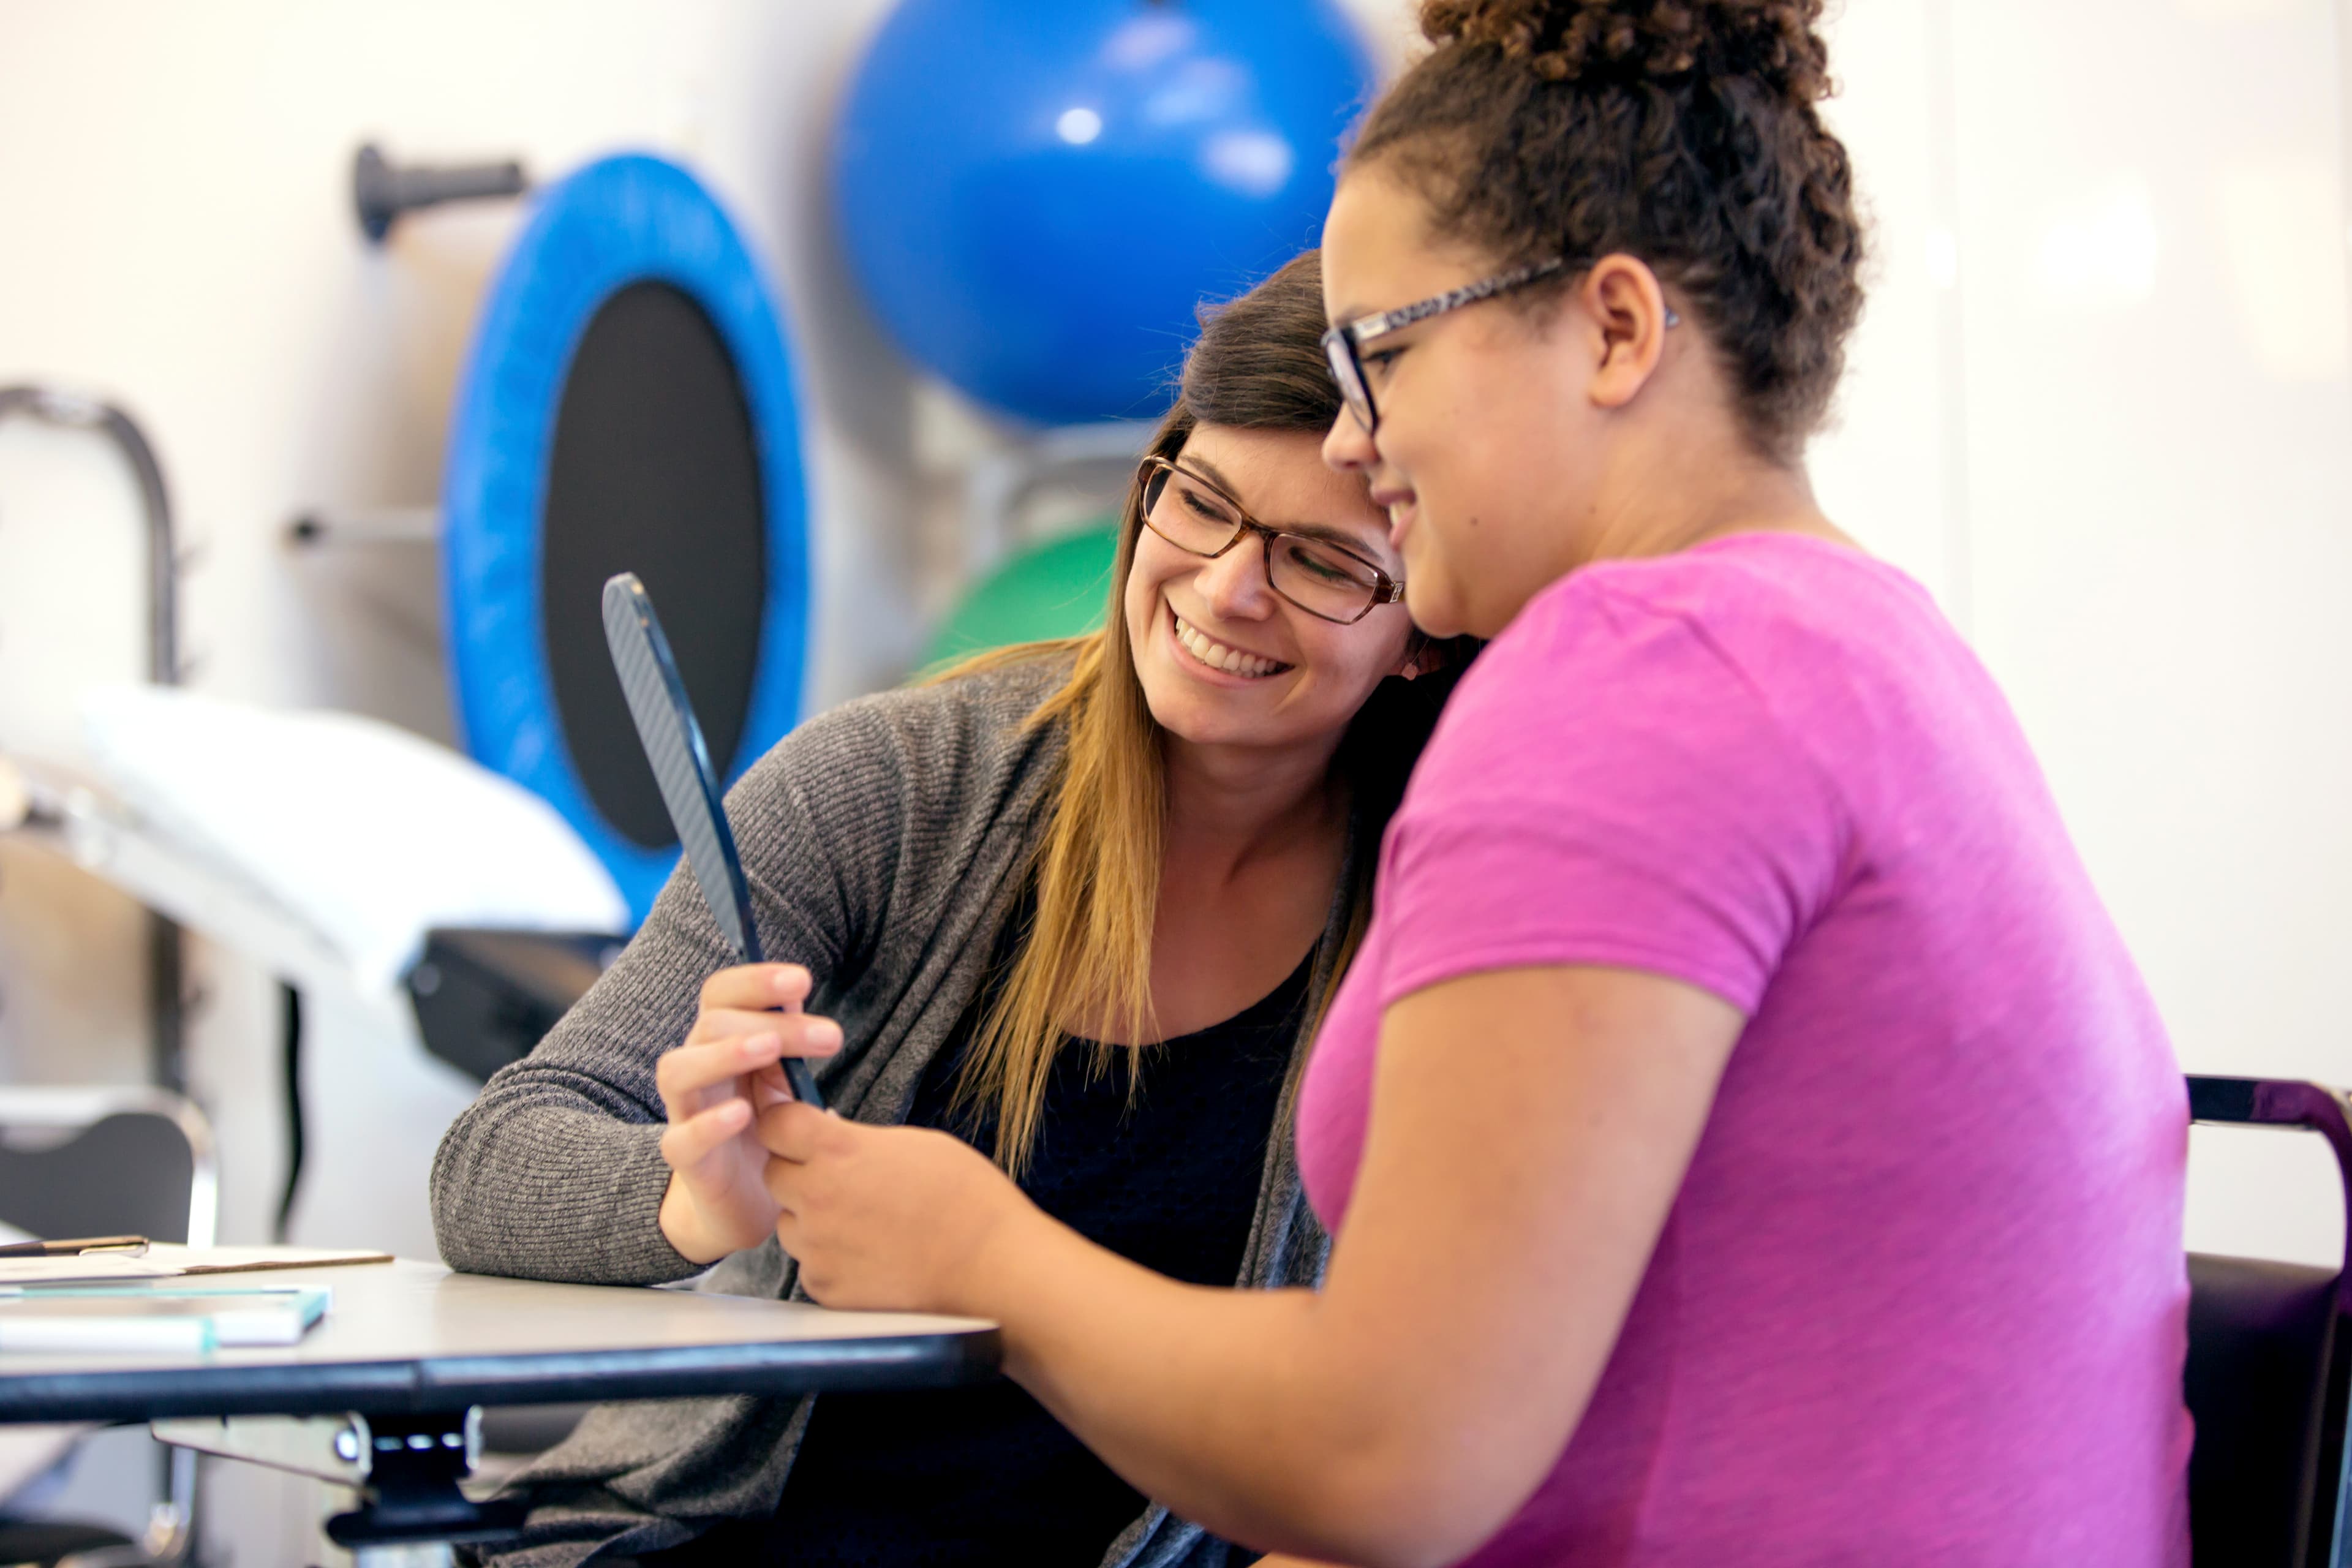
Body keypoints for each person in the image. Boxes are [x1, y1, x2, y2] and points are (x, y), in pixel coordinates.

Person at [749, 2, 2194, 1564]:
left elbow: (1391, 1457)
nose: (1358, 444)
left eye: (1384, 355)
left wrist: (982, 1255)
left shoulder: (1641, 672)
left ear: (1617, 332)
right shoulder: (1865, 642)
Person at [430, 251, 1472, 1566]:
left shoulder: (1449, 906)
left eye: (1320, 560)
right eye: (1198, 500)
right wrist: (696, 1197)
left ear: (1425, 621)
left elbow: (1415, 1412)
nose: (1224, 588)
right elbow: (492, 1164)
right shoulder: (902, 782)